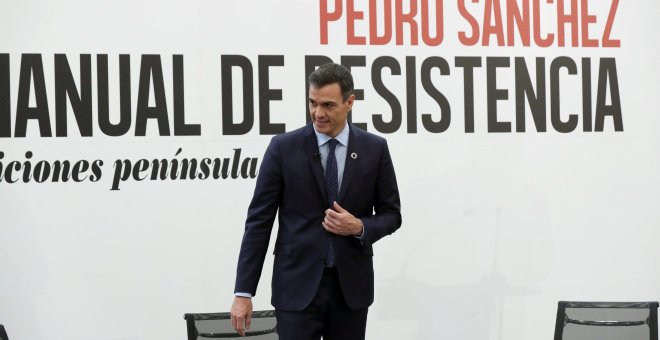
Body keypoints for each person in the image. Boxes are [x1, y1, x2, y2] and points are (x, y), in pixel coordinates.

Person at [230, 63, 402, 340]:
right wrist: (243, 292)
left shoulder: (375, 149)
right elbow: (259, 223)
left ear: (349, 102)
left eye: (328, 105)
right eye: (312, 103)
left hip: (350, 292)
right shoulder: (283, 148)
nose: (318, 113)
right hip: (296, 289)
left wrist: (359, 226)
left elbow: (392, 214)